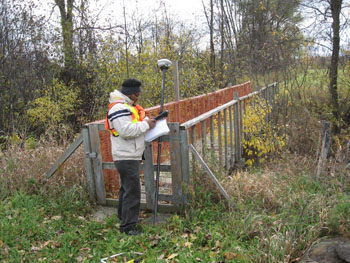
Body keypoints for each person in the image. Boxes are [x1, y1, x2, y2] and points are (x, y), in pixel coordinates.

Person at [105, 78, 156, 235]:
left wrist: (147, 122)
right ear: (130, 94)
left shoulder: (125, 106)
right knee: (132, 191)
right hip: (126, 156)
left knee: (126, 189)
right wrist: (147, 124)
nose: (138, 97)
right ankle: (128, 227)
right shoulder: (119, 108)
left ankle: (124, 217)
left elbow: (131, 126)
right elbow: (126, 132)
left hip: (128, 154)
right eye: (137, 93)